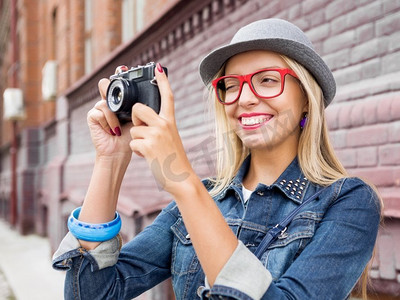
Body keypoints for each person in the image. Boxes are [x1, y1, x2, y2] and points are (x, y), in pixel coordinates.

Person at [53, 18, 381, 300]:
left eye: (267, 80)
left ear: (307, 98)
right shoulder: (201, 198)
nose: (245, 99)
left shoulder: (346, 203)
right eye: (231, 85)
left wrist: (182, 181)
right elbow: (94, 292)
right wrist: (109, 161)